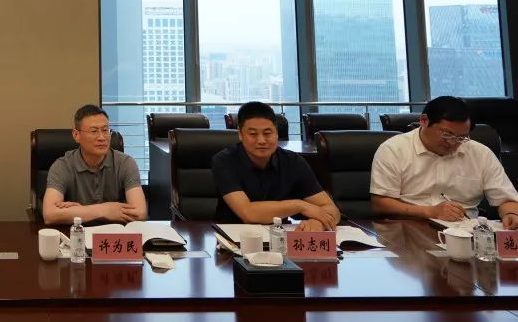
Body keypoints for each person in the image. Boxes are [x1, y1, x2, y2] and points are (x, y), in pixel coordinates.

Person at [371, 96, 518, 228]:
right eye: (447, 134)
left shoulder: (480, 154)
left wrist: (511, 214)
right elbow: (380, 203)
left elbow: (506, 200)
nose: (453, 143)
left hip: (464, 230)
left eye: (461, 137)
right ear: (424, 121)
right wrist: (430, 212)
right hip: (409, 227)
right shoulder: (394, 149)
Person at [211, 101, 340, 231]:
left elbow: (331, 209)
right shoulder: (224, 161)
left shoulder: (293, 162)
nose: (261, 141)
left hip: (281, 238)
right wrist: (300, 205)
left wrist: (318, 222)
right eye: (253, 134)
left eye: (267, 133)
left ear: (277, 133)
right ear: (240, 134)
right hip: (234, 237)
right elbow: (248, 213)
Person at [42, 104, 147, 225]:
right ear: (76, 135)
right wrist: (104, 210)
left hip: (113, 233)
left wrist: (79, 211)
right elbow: (49, 214)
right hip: (77, 233)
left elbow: (140, 213)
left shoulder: (125, 163)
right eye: (94, 131)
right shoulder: (62, 166)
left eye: (105, 130)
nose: (102, 137)